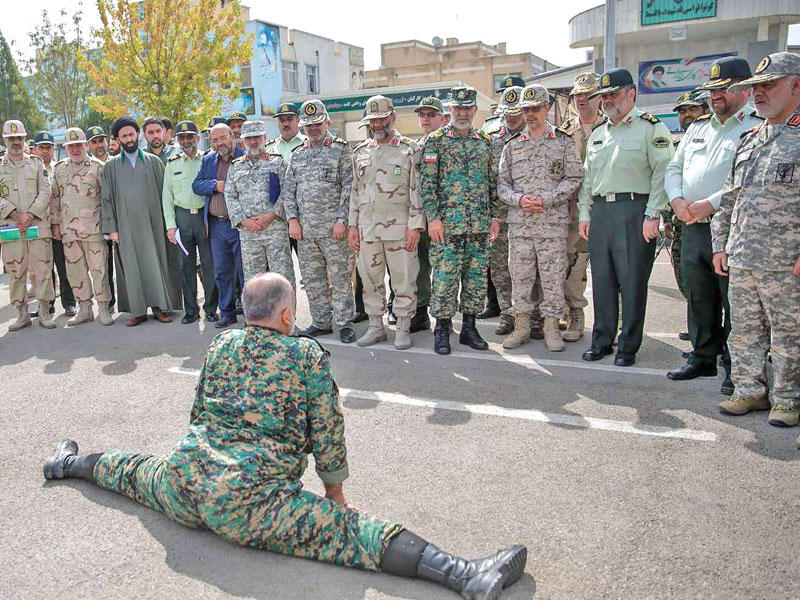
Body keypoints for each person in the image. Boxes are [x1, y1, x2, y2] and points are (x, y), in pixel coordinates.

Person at [42, 272, 528, 599]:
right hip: (251, 503)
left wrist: (197, 457)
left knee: (130, 470)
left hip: (186, 481)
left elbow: (197, 415)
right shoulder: (305, 355)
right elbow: (328, 432)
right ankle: (468, 575)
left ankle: (66, 463)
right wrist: (334, 494)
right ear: (286, 316)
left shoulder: (221, 342)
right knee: (355, 535)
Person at [712, 52, 800, 429]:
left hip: (786, 261)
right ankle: (749, 389)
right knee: (744, 330)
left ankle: (787, 399)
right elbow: (729, 198)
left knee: (788, 334)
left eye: (769, 85)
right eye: (755, 87)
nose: (760, 93)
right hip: (744, 255)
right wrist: (720, 244)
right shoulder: (750, 138)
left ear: (796, 85)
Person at [665, 57, 760, 394]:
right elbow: (674, 168)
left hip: (732, 227)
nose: (715, 95)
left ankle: (736, 367)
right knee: (699, 295)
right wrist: (677, 200)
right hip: (692, 224)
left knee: (734, 301)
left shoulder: (755, 126)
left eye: (723, 88)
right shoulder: (698, 128)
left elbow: (747, 179)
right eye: (712, 90)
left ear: (743, 90)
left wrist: (710, 203)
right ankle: (703, 357)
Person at [577, 69, 674, 366]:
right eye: (603, 96)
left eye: (613, 94)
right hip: (601, 212)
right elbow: (588, 179)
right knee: (603, 280)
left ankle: (628, 345)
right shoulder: (598, 134)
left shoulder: (651, 128)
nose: (607, 100)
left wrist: (653, 213)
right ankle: (602, 339)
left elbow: (663, 172)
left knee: (632, 281)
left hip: (635, 209)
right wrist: (585, 212)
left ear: (631, 93)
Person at [498, 85, 582, 352]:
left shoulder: (563, 142)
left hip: (552, 225)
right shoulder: (512, 147)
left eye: (535, 108)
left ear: (547, 108)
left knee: (552, 278)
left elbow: (575, 178)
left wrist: (547, 199)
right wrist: (519, 200)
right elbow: (502, 185)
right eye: (526, 109)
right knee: (520, 277)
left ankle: (550, 328)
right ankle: (521, 327)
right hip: (520, 226)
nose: (530, 114)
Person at [420, 86, 501, 355]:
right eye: (457, 108)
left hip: (478, 224)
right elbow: (428, 184)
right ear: (450, 111)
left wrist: (494, 216)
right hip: (448, 227)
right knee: (444, 280)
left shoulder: (484, 141)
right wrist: (433, 219)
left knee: (476, 280)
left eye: (467, 108)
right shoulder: (436, 141)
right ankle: (442, 329)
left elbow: (492, 183)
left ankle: (469, 328)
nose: (462, 113)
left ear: (475, 110)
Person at [348, 96, 424, 349]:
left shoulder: (409, 149)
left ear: (393, 116)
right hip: (367, 229)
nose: (377, 124)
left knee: (403, 279)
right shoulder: (361, 152)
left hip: (400, 229)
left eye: (381, 118)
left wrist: (415, 225)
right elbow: (355, 191)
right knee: (369, 280)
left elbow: (417, 190)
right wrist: (352, 226)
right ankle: (375, 327)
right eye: (372, 120)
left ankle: (403, 327)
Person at [283, 99, 356, 344]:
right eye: (308, 125)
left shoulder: (340, 149)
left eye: (317, 123)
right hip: (306, 232)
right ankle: (322, 321)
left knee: (341, 278)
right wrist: (292, 220)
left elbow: (349, 187)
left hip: (334, 230)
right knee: (313, 280)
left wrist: (341, 220)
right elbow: (289, 190)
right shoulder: (298, 154)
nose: (313, 128)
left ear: (327, 122)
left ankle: (345, 322)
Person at [101, 116, 183, 326]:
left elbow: (166, 195)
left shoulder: (154, 162)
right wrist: (112, 230)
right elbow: (106, 199)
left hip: (154, 224)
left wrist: (169, 224)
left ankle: (161, 308)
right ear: (118, 139)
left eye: (131, 134)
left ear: (137, 135)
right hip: (125, 228)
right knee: (131, 266)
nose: (129, 138)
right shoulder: (110, 167)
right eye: (123, 136)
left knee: (157, 263)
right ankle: (137, 311)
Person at [556, 72, 606, 343]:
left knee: (610, 268)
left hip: (606, 208)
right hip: (573, 211)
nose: (581, 100)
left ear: (599, 97)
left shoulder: (612, 127)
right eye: (577, 95)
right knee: (572, 264)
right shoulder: (564, 133)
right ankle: (575, 312)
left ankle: (614, 320)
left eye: (588, 95)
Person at [50, 127, 113, 326]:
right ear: (66, 148)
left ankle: (103, 307)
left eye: (78, 145)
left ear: (85, 145)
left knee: (99, 270)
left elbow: (107, 199)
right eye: (71, 146)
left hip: (93, 229)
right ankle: (84, 308)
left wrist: (108, 226)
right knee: (75, 272)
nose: (75, 149)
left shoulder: (97, 167)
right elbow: (54, 199)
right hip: (69, 231)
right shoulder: (59, 169)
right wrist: (55, 225)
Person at [0, 119, 56, 330]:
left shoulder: (36, 163)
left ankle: (44, 312)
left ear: (25, 139)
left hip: (37, 226)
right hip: (11, 228)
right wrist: (14, 214)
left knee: (43, 269)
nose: (15, 142)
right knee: (16, 273)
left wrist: (30, 214)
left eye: (19, 138)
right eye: (11, 138)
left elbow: (46, 190)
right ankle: (22, 314)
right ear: (5, 140)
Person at [225, 120, 295, 288]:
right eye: (249, 138)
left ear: (264, 137)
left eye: (257, 137)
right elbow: (230, 195)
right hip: (249, 234)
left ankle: (287, 314)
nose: (253, 141)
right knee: (253, 281)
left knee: (282, 278)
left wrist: (271, 215)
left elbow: (288, 191)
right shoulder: (236, 167)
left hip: (275, 230)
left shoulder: (277, 163)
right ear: (243, 140)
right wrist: (244, 221)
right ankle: (257, 315)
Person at [480, 85, 526, 337]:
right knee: (499, 268)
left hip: (526, 215)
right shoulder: (492, 140)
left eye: (516, 113)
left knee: (528, 268)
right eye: (507, 113)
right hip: (498, 216)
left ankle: (529, 315)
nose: (511, 118)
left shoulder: (535, 136)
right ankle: (507, 312)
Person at [162, 120, 219, 325]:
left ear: (197, 138)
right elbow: (166, 198)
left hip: (204, 219)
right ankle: (191, 311)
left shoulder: (208, 160)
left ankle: (211, 309)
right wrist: (170, 226)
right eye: (182, 138)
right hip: (182, 219)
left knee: (208, 265)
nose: (186, 141)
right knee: (186, 267)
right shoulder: (172, 163)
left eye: (190, 137)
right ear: (177, 141)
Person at [193, 123, 246, 329]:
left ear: (232, 136)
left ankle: (251, 315)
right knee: (222, 272)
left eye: (222, 138)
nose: (218, 143)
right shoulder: (208, 160)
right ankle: (227, 313)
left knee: (245, 272)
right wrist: (216, 185)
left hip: (240, 224)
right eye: (214, 140)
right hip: (216, 226)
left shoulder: (244, 156)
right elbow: (197, 185)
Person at [33, 130, 76, 318]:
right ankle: (47, 304)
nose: (45, 151)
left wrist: (58, 223)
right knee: (43, 269)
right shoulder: (31, 169)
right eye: (41, 147)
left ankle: (69, 303)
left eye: (48, 148)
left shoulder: (59, 169)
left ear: (53, 149)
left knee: (63, 266)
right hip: (39, 226)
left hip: (58, 225)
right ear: (34, 149)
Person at [87, 125, 117, 312]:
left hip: (120, 219)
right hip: (99, 223)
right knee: (105, 266)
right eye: (94, 141)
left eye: (101, 140)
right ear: (89, 145)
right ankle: (110, 302)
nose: (99, 145)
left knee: (124, 263)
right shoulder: (87, 166)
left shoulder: (116, 162)